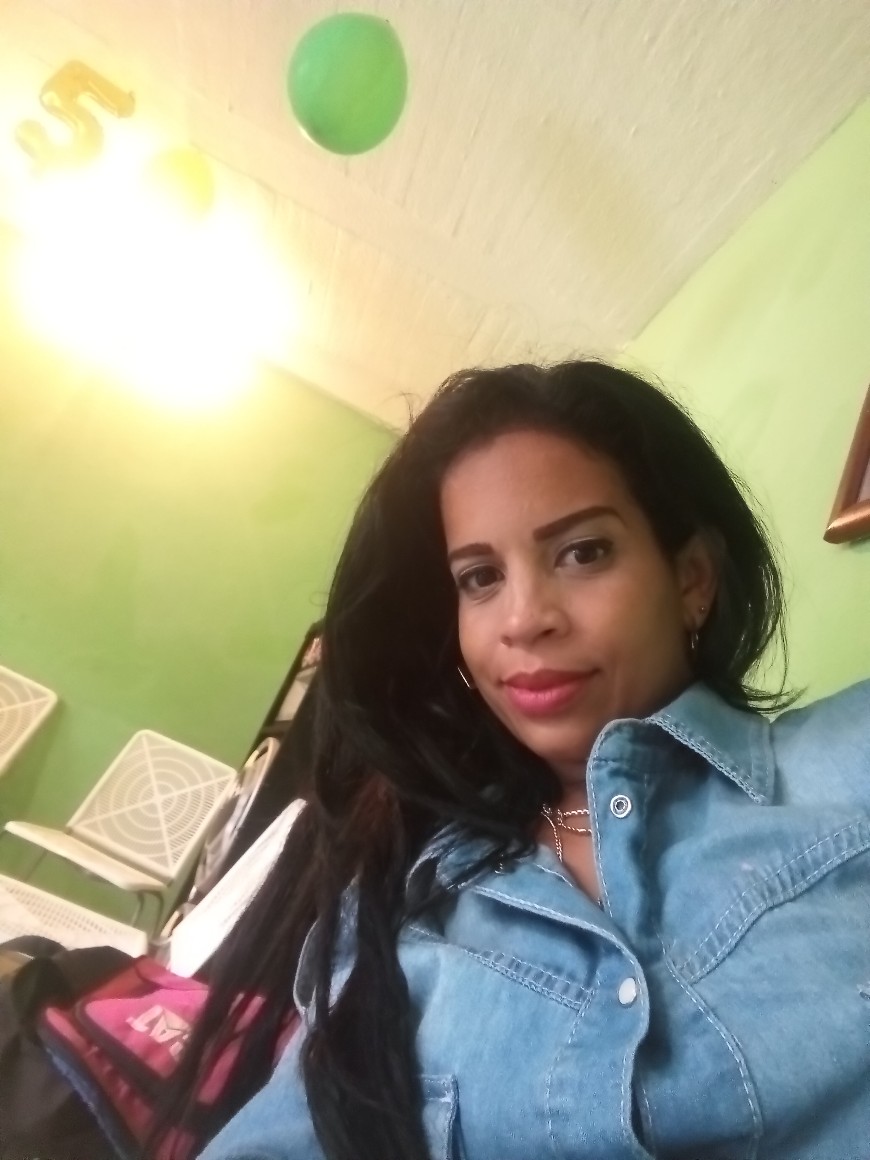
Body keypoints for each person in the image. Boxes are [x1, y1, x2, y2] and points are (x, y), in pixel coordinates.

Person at [156, 360, 869, 1160]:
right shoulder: (400, 901)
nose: (524, 619)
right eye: (480, 577)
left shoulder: (848, 758)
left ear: (691, 579)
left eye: (584, 552)